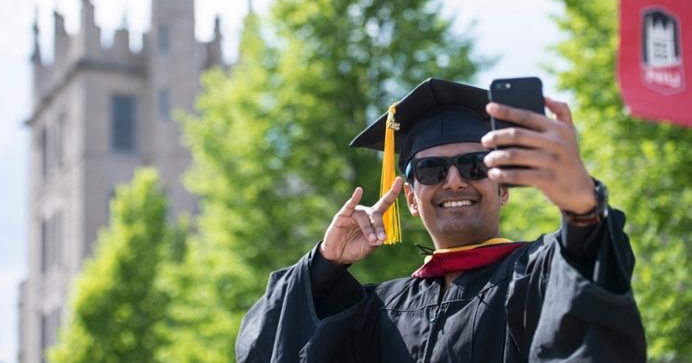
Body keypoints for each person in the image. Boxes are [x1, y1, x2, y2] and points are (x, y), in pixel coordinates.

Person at [235, 78, 646, 362]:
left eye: (474, 166)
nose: (453, 182)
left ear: (503, 188)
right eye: (431, 170)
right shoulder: (378, 314)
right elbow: (268, 350)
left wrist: (583, 208)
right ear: (411, 198)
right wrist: (325, 265)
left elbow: (593, 290)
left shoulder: (537, 276)